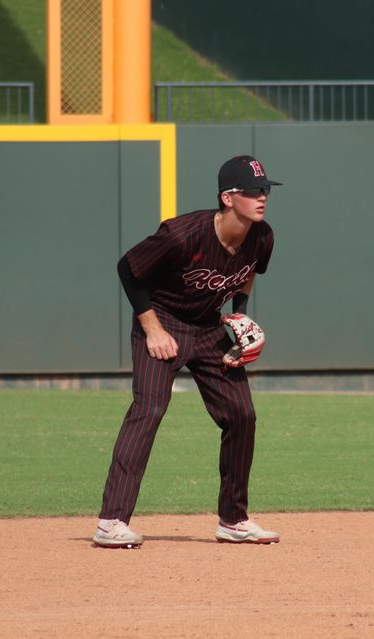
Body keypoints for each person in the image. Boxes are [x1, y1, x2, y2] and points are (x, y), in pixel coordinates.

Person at [93, 155, 281, 548]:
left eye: (264, 190)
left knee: (241, 414)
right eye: (252, 191)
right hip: (162, 320)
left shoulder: (262, 237)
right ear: (228, 198)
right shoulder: (183, 234)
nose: (262, 197)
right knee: (149, 410)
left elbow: (247, 276)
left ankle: (233, 520)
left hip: (210, 327)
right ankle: (111, 521)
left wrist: (240, 320)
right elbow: (129, 268)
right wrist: (152, 329)